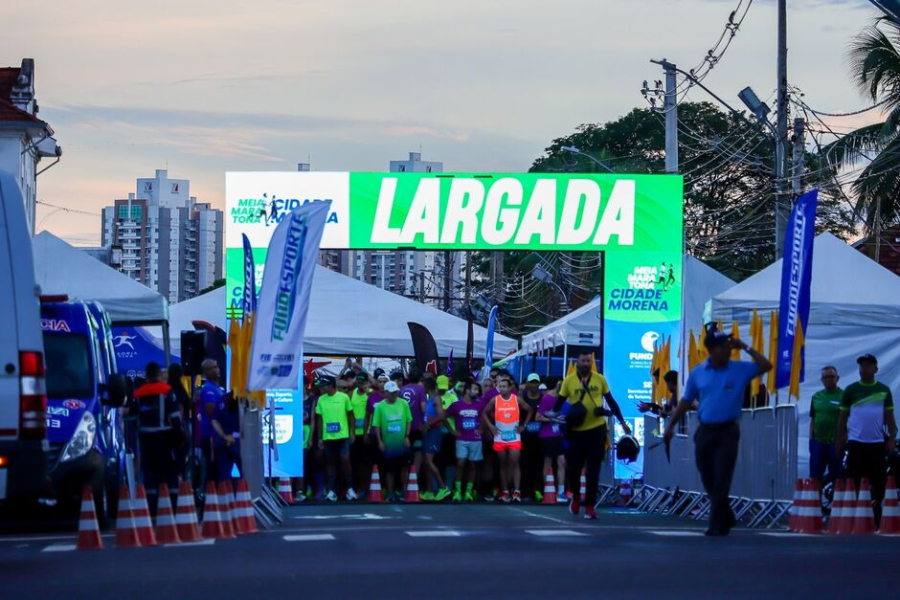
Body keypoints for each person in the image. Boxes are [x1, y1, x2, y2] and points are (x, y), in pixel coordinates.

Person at [664, 326, 772, 536]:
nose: (728, 350)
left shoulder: (739, 369)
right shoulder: (698, 372)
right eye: (723, 347)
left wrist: (745, 347)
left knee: (722, 476)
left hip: (727, 431)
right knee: (707, 475)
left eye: (729, 346)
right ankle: (727, 515)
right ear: (712, 350)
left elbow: (766, 365)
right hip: (705, 430)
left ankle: (715, 524)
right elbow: (685, 401)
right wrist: (671, 425)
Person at [559, 352, 631, 520]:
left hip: (596, 430)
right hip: (576, 431)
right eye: (583, 360)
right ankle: (576, 495)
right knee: (574, 468)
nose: (586, 363)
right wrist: (555, 415)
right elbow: (559, 403)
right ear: (578, 361)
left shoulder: (600, 379)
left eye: (588, 360)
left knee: (593, 469)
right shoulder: (569, 381)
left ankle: (590, 506)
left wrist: (622, 422)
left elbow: (611, 401)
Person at [837, 354, 898, 524]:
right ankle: (854, 516)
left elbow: (890, 417)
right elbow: (842, 418)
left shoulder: (883, 390)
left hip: (877, 443)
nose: (864, 369)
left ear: (876, 369)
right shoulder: (851, 390)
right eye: (862, 366)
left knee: (879, 481)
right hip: (856, 443)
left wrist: (892, 439)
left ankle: (876, 515)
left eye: (868, 365)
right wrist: (839, 441)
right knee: (853, 479)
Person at [134, 362, 183, 515]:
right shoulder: (166, 390)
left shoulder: (138, 393)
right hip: (164, 437)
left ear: (146, 375)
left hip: (145, 438)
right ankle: (172, 504)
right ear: (159, 374)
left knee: (150, 473)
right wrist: (179, 436)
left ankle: (152, 506)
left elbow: (132, 416)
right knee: (169, 472)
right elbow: (175, 416)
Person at [481, 376, 534, 503]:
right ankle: (505, 491)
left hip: (514, 435)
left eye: (504, 386)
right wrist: (490, 426)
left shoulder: (517, 399)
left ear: (510, 388)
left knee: (514, 462)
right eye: (500, 386)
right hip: (500, 436)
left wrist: (524, 426)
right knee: (502, 463)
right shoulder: (495, 400)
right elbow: (484, 412)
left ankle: (516, 491)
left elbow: (530, 410)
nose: (502, 389)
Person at [315, 376, 357, 502]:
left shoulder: (344, 397)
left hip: (343, 435)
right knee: (330, 462)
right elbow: (319, 419)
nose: (322, 387)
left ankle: (350, 489)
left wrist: (352, 432)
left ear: (331, 385)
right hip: (328, 437)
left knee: (345, 460)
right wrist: (320, 437)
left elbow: (351, 415)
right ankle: (332, 491)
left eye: (324, 385)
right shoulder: (321, 399)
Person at [372, 381, 412, 501]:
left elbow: (408, 420)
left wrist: (407, 436)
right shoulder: (380, 406)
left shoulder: (404, 403)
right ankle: (390, 493)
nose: (394, 394)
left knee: (404, 468)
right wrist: (380, 441)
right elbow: (376, 425)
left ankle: (404, 492)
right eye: (391, 392)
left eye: (395, 392)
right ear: (385, 393)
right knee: (390, 470)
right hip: (388, 444)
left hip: (402, 443)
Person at [446, 381, 485, 502]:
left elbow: (485, 417)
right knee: (460, 463)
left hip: (476, 439)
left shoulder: (480, 405)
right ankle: (457, 490)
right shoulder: (456, 405)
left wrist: (482, 429)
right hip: (461, 439)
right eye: (474, 389)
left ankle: (468, 491)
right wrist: (452, 431)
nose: (476, 392)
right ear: (467, 390)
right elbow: (443, 416)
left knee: (473, 465)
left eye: (477, 390)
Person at [809, 366, 844, 484]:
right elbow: (813, 419)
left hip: (836, 443)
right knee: (815, 477)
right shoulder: (816, 397)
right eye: (825, 377)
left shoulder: (844, 396)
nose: (828, 379)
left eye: (831, 376)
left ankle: (836, 496)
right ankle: (816, 496)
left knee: (838, 478)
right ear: (821, 380)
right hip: (818, 443)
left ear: (837, 378)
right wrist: (811, 440)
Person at [421, 377, 451, 501]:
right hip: (428, 433)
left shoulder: (436, 399)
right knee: (426, 461)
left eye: (423, 385)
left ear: (427, 387)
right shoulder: (429, 399)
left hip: (434, 432)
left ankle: (443, 488)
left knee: (429, 461)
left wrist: (429, 425)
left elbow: (442, 416)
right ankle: (429, 491)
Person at [536, 381, 567, 502]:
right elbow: (538, 417)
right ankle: (547, 490)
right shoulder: (546, 399)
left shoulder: (561, 399)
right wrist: (552, 419)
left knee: (562, 461)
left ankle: (561, 492)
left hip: (558, 434)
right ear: (557, 385)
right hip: (547, 435)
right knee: (548, 463)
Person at [521, 373, 548, 500]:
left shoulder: (544, 398)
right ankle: (526, 491)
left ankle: (538, 490)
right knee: (525, 464)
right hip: (525, 437)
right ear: (527, 384)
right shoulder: (522, 398)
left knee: (539, 464)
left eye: (536, 382)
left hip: (540, 437)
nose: (533, 384)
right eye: (531, 382)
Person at [197, 359, 225, 482]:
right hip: (210, 434)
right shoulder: (209, 389)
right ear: (205, 372)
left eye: (216, 367)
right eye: (211, 368)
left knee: (218, 466)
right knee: (213, 467)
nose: (215, 370)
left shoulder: (217, 388)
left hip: (217, 434)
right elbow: (211, 411)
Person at [350, 372, 373, 499]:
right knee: (354, 463)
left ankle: (365, 488)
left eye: (362, 381)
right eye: (358, 381)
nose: (360, 383)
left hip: (366, 433)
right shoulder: (352, 393)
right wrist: (351, 432)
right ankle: (356, 488)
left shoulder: (370, 393)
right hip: (354, 434)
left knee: (366, 464)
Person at [211, 388, 242, 482]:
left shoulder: (223, 399)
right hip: (238, 442)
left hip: (224, 441)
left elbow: (214, 420)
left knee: (224, 476)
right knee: (245, 475)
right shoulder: (245, 401)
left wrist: (224, 436)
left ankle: (225, 489)